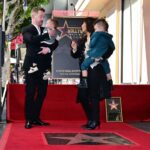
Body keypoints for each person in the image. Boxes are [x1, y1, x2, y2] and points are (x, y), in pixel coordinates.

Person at [71, 17, 114, 130]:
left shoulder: (99, 36)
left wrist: (100, 57)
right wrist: (74, 49)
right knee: (83, 96)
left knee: (94, 96)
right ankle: (92, 119)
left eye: (83, 24)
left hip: (95, 70)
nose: (81, 26)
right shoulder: (82, 39)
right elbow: (75, 55)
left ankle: (94, 121)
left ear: (89, 25)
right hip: (84, 71)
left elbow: (110, 49)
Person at [22, 7, 58, 129]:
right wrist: (47, 34)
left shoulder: (45, 30)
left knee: (42, 93)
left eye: (43, 16)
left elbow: (55, 41)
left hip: (45, 68)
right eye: (41, 16)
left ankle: (36, 118)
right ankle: (28, 120)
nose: (43, 19)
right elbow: (31, 40)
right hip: (32, 66)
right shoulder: (27, 29)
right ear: (33, 16)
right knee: (30, 93)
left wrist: (49, 48)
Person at [79, 18, 115, 88]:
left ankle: (84, 82)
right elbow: (113, 47)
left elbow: (92, 44)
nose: (94, 30)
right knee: (107, 69)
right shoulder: (109, 37)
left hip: (94, 56)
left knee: (83, 66)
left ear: (98, 28)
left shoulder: (96, 35)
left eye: (95, 29)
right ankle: (110, 83)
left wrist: (90, 45)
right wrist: (103, 56)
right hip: (103, 58)